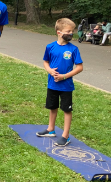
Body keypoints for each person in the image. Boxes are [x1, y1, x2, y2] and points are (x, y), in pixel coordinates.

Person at [36, 18, 83, 147]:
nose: (71, 33)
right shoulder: (50, 47)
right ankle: (50, 129)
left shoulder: (73, 49)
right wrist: (50, 71)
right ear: (59, 32)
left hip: (66, 86)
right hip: (52, 84)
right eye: (68, 31)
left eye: (72, 31)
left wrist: (64, 76)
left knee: (66, 110)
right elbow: (45, 62)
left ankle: (65, 135)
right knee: (52, 107)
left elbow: (79, 67)